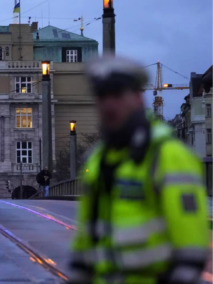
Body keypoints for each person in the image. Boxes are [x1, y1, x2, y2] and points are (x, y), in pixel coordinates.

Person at [69, 56, 210, 284]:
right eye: (102, 97)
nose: (109, 105)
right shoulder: (97, 159)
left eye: (117, 95)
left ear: (137, 97)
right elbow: (87, 236)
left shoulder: (169, 156)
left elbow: (191, 246)